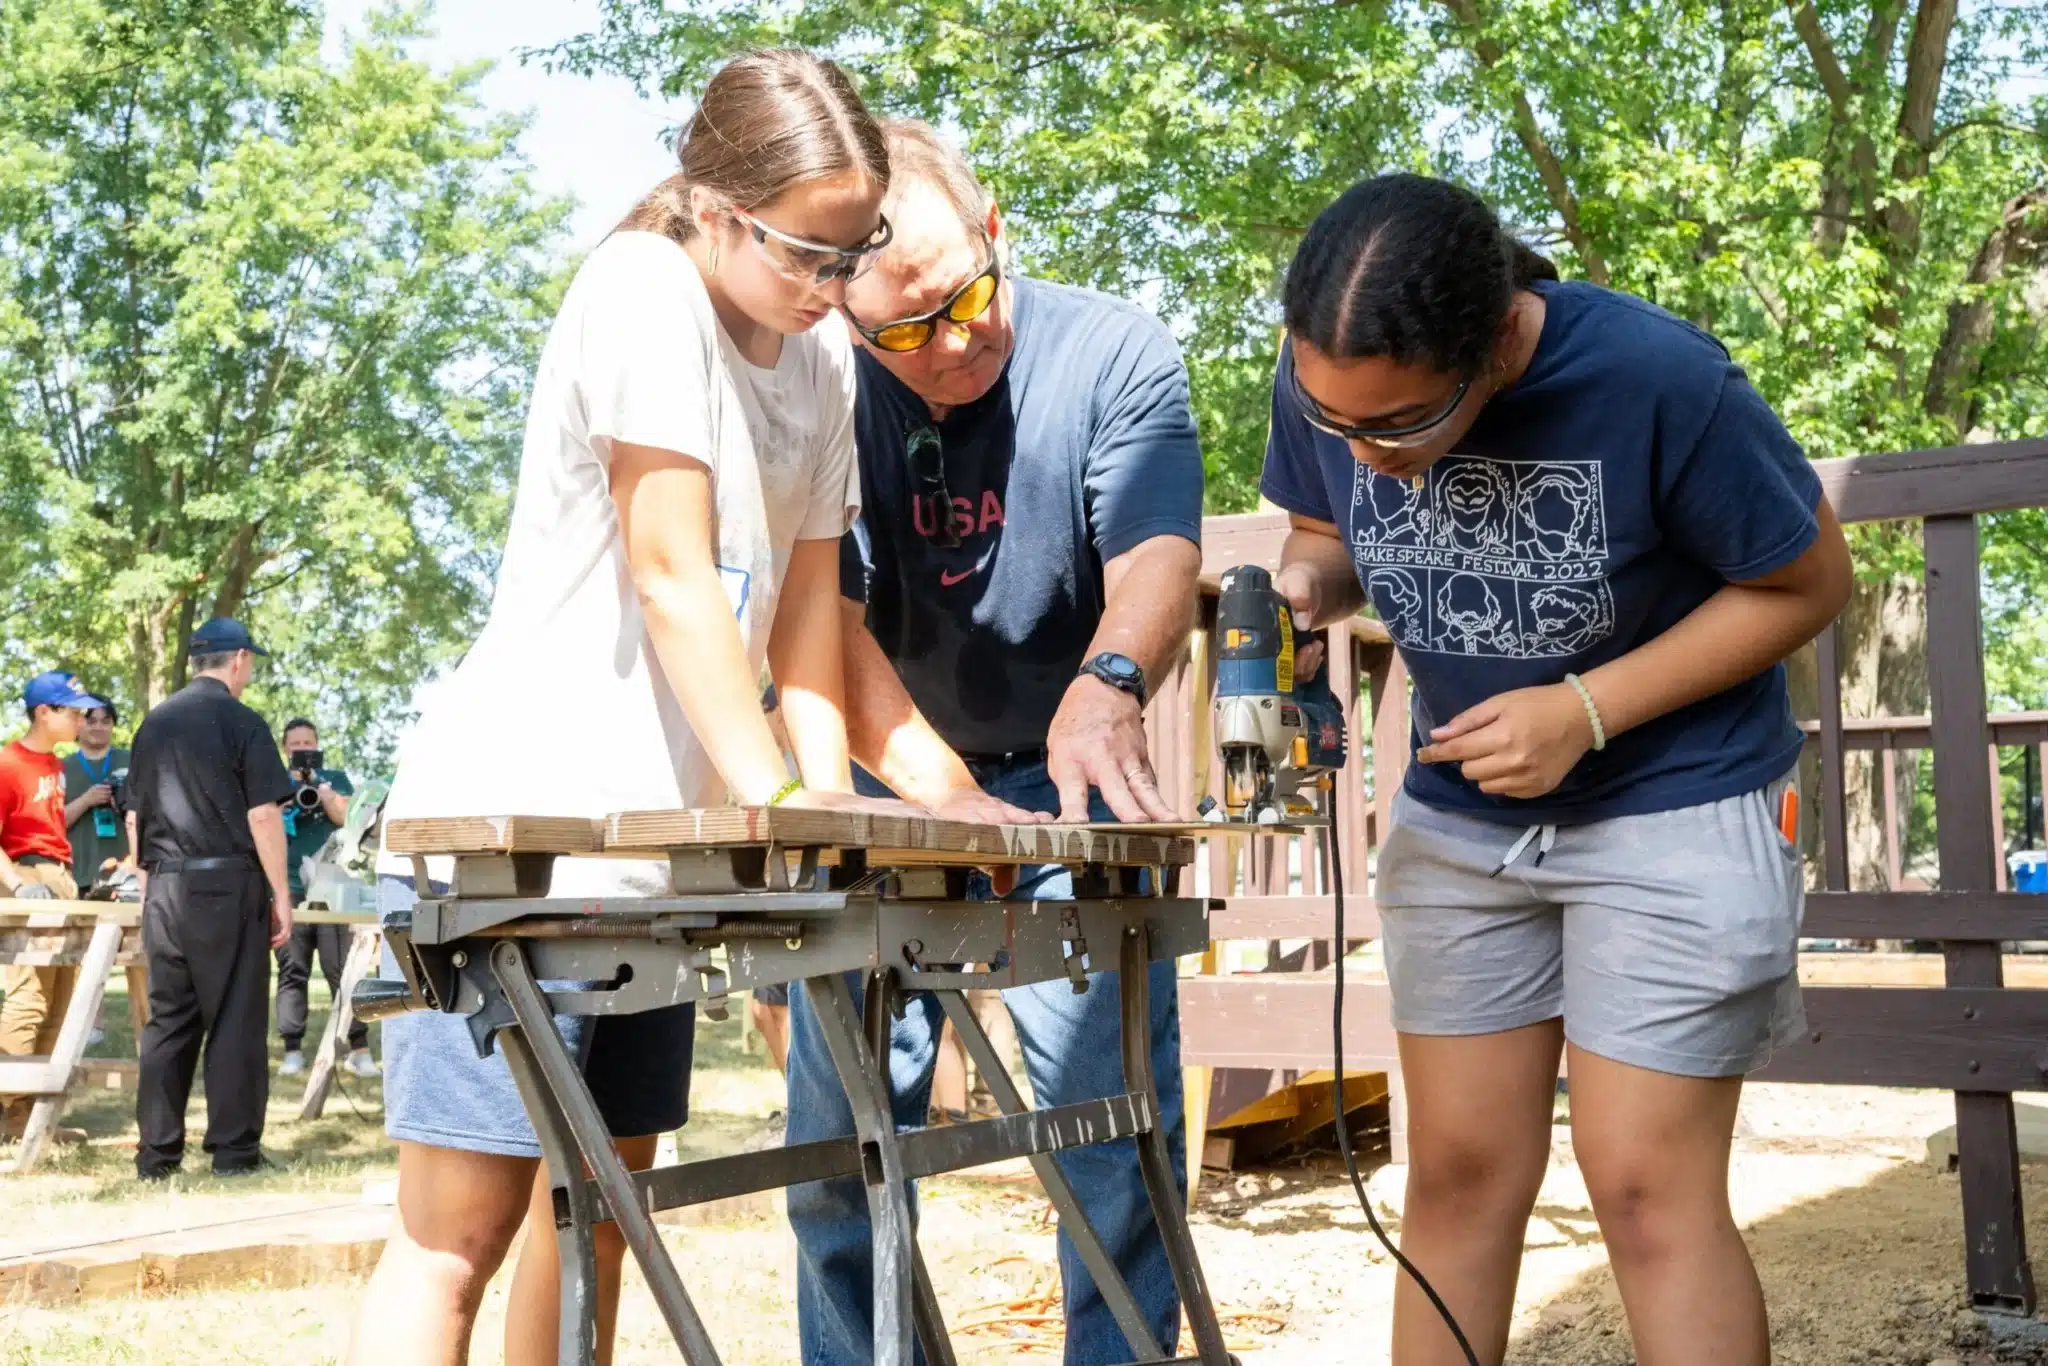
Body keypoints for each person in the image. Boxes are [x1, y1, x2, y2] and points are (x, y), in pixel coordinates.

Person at [346, 49, 915, 1366]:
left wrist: (823, 805)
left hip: (657, 854)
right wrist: (775, 791)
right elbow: (672, 572)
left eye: (856, 252)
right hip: (510, 835)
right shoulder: (641, 287)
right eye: (807, 258)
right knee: (458, 1235)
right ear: (717, 209)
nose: (836, 296)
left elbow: (810, 618)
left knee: (606, 1209)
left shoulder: (820, 368)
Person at [1260, 173, 1853, 1366]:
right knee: (1458, 1176)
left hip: (1671, 805)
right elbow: (1321, 532)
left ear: (1493, 344)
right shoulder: (1329, 373)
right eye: (1336, 424)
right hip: (1460, 824)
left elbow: (1806, 584)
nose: (1365, 456)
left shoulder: (1660, 382)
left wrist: (1586, 707)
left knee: (1642, 1189)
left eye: (1400, 423)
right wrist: (1301, 591)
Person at [785, 119, 1203, 1366]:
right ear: (841, 314)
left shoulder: (1115, 350)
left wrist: (1110, 678)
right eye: (901, 331)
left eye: (963, 299)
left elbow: (1159, 558)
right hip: (886, 776)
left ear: (993, 230)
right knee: (837, 1142)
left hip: (1073, 771)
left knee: (1107, 1131)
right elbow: (823, 621)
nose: (947, 342)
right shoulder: (818, 382)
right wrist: (945, 795)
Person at [127, 620, 296, 1179]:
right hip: (227, 884)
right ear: (240, 659)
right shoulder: (243, 722)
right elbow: (263, 814)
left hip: (166, 885)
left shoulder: (154, 724)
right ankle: (234, 1153)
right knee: (235, 1017)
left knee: (168, 1021)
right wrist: (281, 892)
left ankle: (156, 1156)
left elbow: (135, 813)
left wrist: (148, 881)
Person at [0, 670, 106, 1140]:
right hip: (26, 876)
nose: (84, 716)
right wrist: (19, 886)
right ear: (45, 713)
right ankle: (3, 1104)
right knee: (29, 998)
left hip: (59, 878)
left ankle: (24, 1120)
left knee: (64, 1000)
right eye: (74, 709)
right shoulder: (8, 762)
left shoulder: (56, 767)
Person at [271, 717, 371, 1078]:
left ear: (317, 744)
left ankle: (359, 1048)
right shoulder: (271, 779)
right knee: (291, 970)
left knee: (342, 970)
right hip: (290, 890)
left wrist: (323, 790)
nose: (302, 750)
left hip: (332, 890)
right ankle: (292, 1050)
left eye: (307, 743)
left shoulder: (336, 779)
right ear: (285, 749)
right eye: (295, 745)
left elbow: (348, 819)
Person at [62, 700, 130, 890]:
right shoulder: (61, 767)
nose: (98, 727)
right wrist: (86, 801)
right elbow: (52, 825)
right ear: (78, 724)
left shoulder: (132, 760)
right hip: (78, 876)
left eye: (105, 721)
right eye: (91, 721)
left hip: (126, 875)